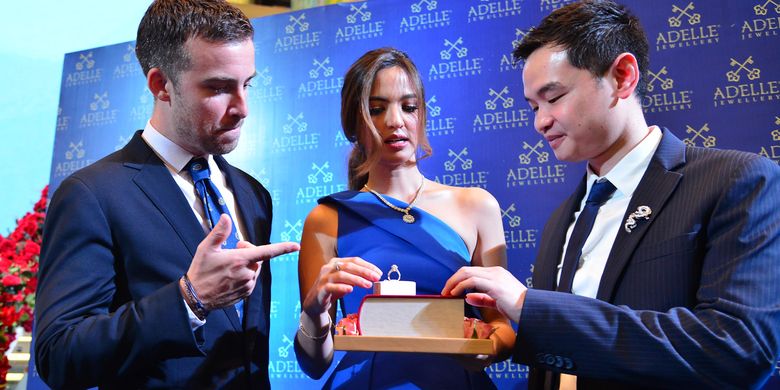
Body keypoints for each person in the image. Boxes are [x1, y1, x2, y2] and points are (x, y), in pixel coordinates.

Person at [442, 1, 780, 389]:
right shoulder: (561, 219)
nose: (540, 122)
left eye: (553, 98)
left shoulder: (737, 181)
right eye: (533, 106)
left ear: (622, 76)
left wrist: (527, 305)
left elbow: (739, 350)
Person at [34, 1, 299, 388]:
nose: (242, 108)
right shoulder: (91, 194)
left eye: (247, 84)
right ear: (161, 85)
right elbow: (59, 356)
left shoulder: (252, 193)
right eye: (219, 87)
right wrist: (189, 299)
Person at [293, 47, 516, 389]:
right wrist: (313, 313)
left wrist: (484, 349)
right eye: (377, 109)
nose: (395, 121)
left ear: (422, 115)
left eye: (408, 107)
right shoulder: (326, 219)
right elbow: (314, 364)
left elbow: (501, 326)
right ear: (353, 123)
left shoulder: (477, 206)